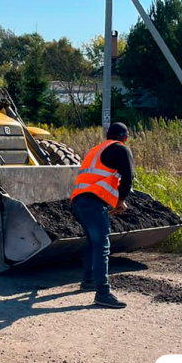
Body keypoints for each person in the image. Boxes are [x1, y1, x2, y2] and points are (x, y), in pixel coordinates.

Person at [70, 122, 135, 309]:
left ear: (107, 136)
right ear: (125, 137)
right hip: (93, 203)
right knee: (101, 246)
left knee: (92, 242)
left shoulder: (96, 150)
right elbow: (128, 178)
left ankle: (88, 280)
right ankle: (103, 293)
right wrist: (121, 200)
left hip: (78, 201)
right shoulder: (121, 149)